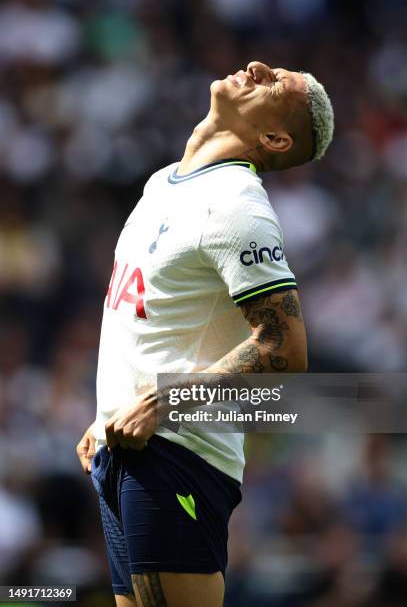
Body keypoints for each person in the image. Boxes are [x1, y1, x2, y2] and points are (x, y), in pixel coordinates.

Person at [76, 61, 334, 607]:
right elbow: (152, 314)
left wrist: (164, 402)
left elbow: (284, 348)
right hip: (128, 446)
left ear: (274, 138)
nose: (257, 66)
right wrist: (107, 412)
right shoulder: (165, 181)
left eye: (275, 83)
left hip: (178, 454)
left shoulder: (237, 206)